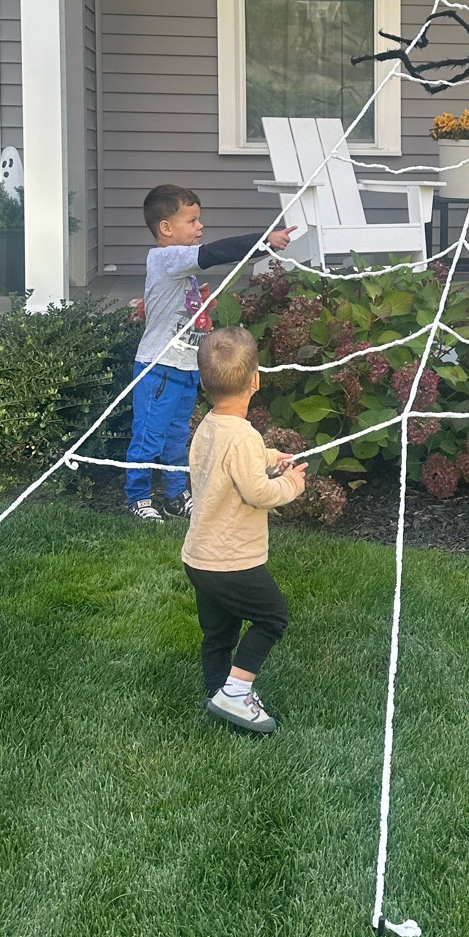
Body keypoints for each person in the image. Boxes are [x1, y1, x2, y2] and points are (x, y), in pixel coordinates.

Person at [126, 185, 291, 523]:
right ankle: (138, 498)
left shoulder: (180, 270)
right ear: (166, 228)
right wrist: (266, 240)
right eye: (192, 220)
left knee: (176, 438)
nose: (199, 227)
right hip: (159, 369)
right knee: (148, 437)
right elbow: (215, 253)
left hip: (185, 368)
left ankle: (174, 495)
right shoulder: (166, 257)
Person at [183, 325, 306, 735]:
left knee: (218, 632)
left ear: (204, 383)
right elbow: (256, 491)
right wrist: (291, 483)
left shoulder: (207, 428)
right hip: (232, 561)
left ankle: (216, 694)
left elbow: (229, 464)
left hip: (200, 557)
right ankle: (236, 692)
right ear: (256, 379)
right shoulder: (244, 436)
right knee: (272, 618)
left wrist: (270, 455)